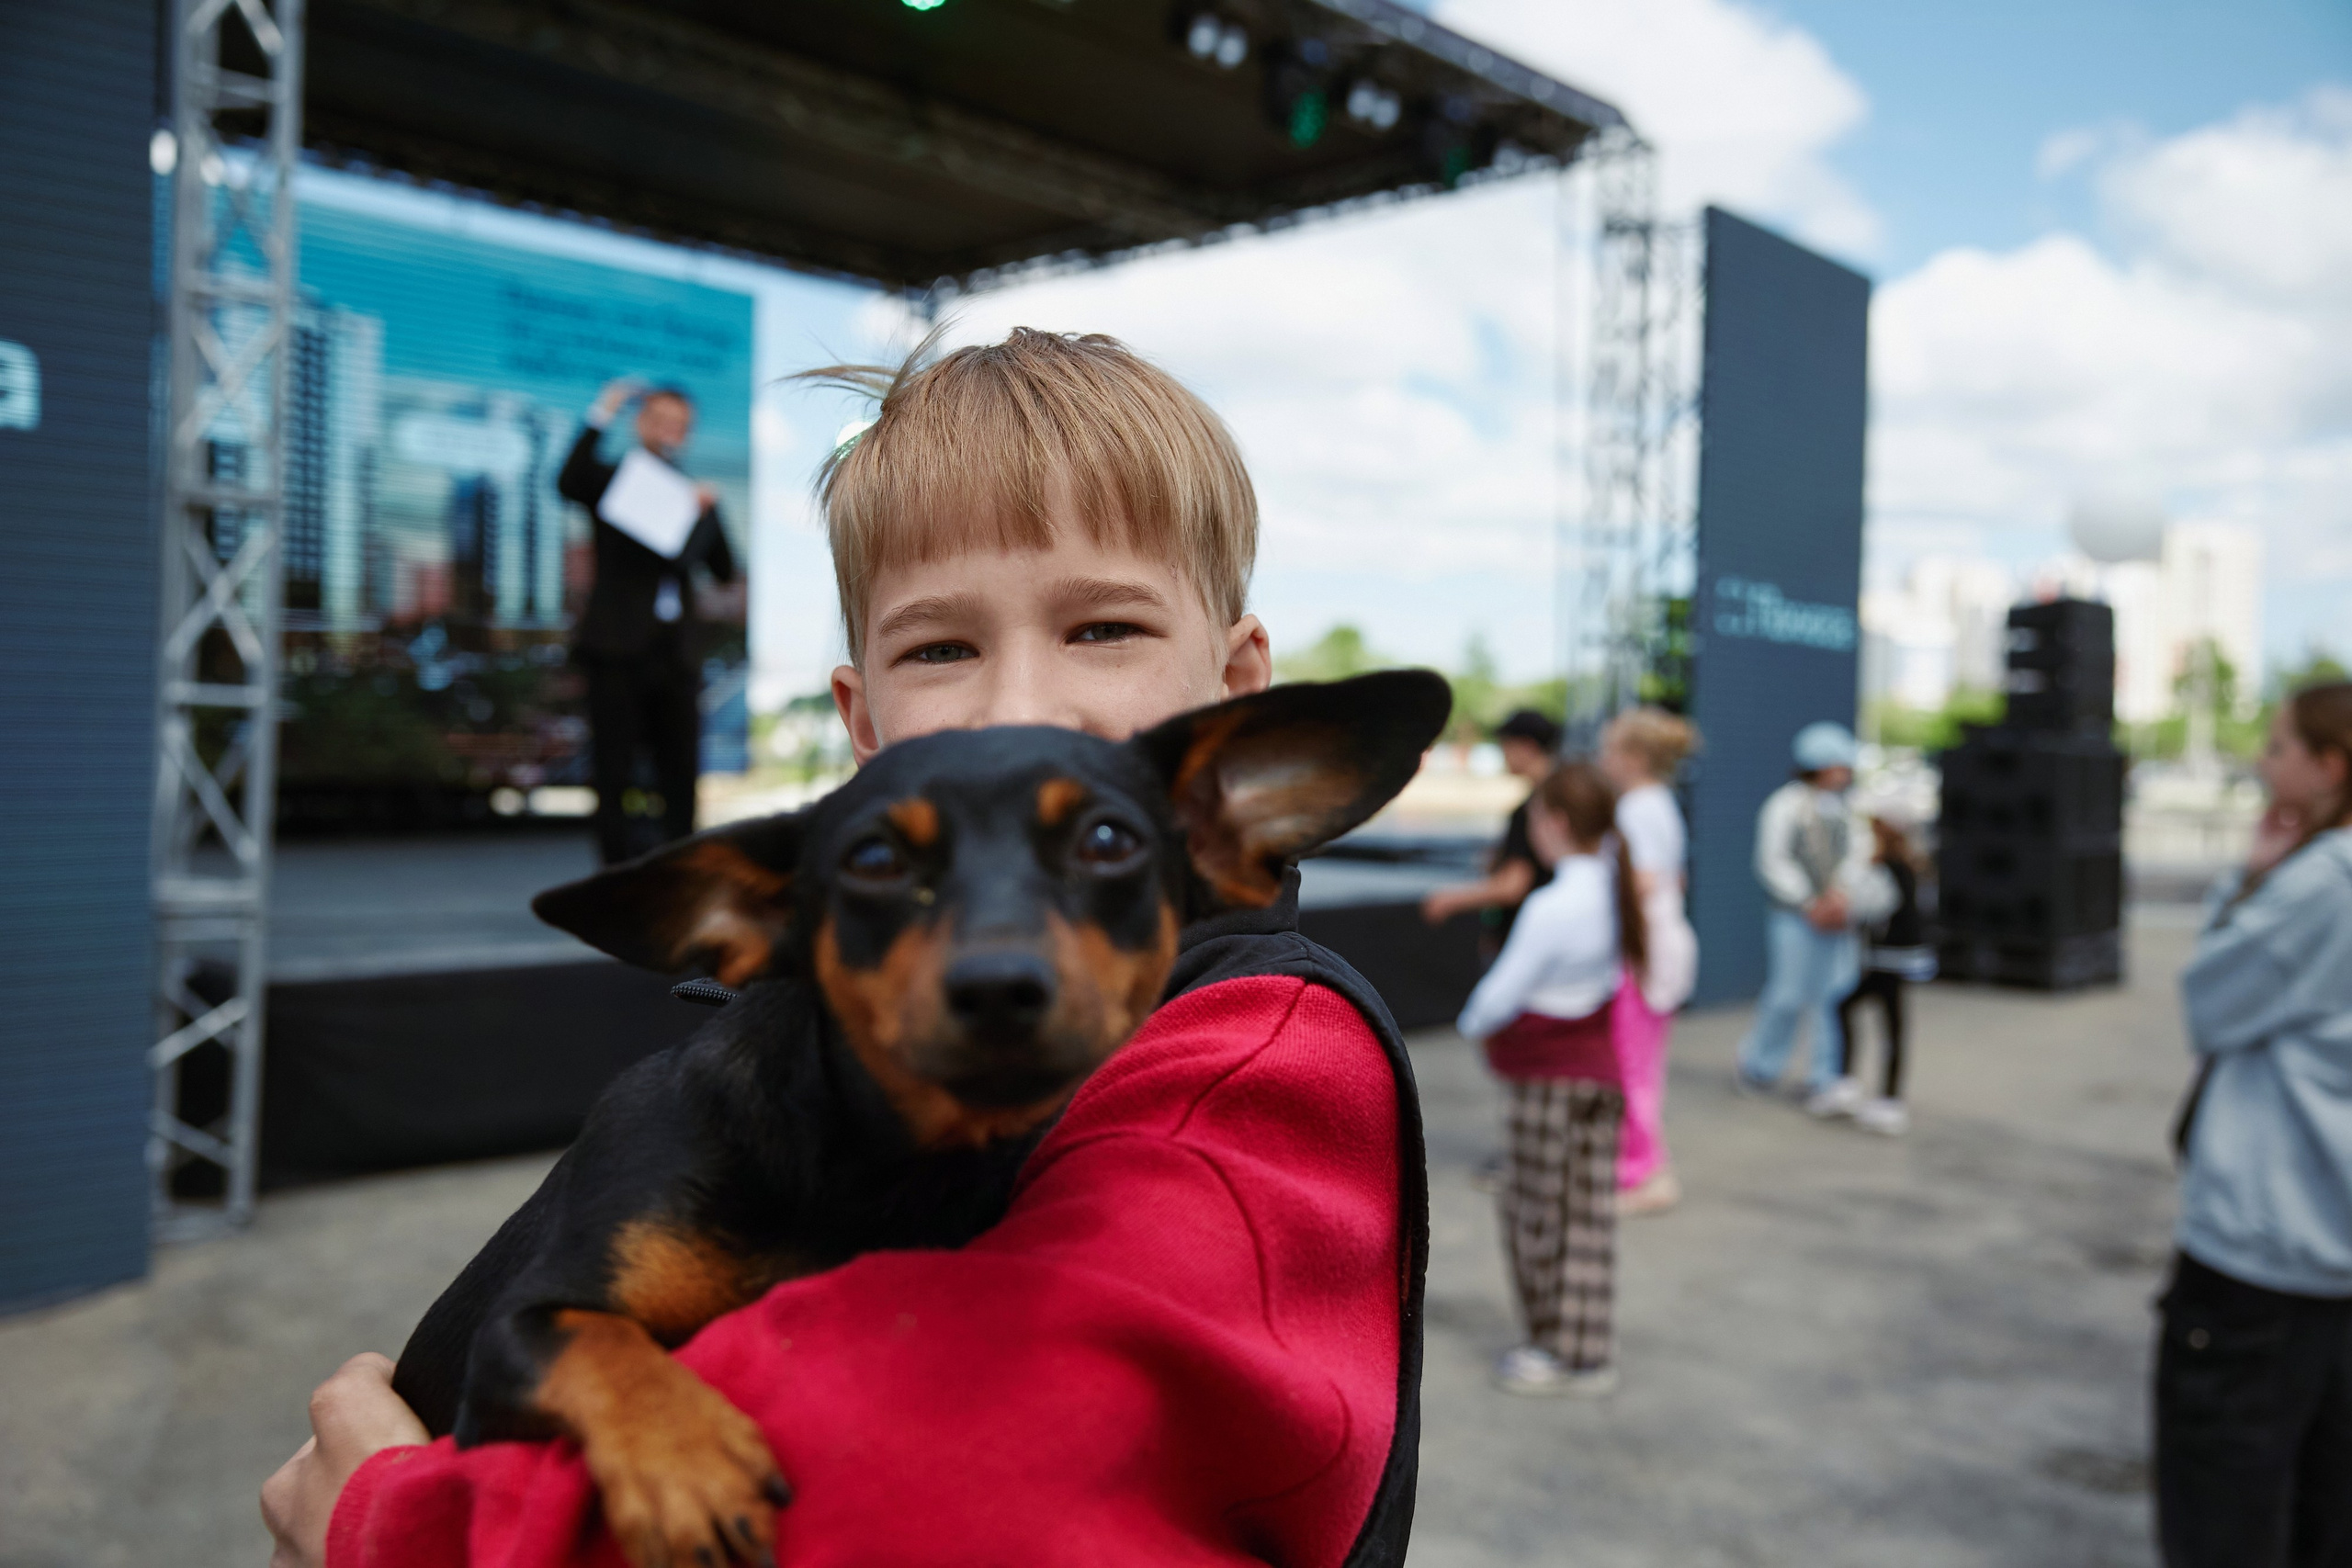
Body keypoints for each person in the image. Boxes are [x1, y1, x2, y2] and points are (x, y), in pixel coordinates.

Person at [262, 329, 1425, 1568]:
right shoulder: (716, 1108)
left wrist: (384, 1522)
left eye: (1104, 628)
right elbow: (542, 1342)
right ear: (863, 722)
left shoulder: (1248, 1063)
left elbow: (942, 1498)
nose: (1017, 703)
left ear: (1238, 712)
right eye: (941, 647)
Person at [2155, 681, 2352, 1568]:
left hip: (2269, 1252)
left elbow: (2213, 1001)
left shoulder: (2323, 884)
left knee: (2226, 1511)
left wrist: (2248, 881)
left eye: (2277, 746)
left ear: (2330, 764)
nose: (2263, 762)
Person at [1453, 761, 1645, 1398]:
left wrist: (1470, 1021)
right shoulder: (1617, 891)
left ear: (1555, 822)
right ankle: (1588, 1350)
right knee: (1587, 1216)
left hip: (1545, 1083)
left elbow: (1499, 996)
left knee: (1536, 1213)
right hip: (1600, 1074)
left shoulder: (1553, 903)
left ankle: (1549, 1345)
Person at [558, 378, 741, 865]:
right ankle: (615, 879)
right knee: (613, 770)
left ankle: (679, 873)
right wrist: (604, 410)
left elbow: (722, 569)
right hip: (616, 649)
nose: (670, 430)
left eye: (680, 424)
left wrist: (706, 514)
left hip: (675, 656)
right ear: (641, 423)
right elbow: (568, 481)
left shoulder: (693, 494)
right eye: (660, 419)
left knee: (679, 772)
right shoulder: (616, 480)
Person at [1733, 721, 1893, 1114]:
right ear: (1819, 766)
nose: (1845, 772)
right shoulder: (1784, 805)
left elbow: (1858, 855)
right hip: (1796, 919)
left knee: (1832, 997)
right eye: (1838, 764)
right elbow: (1772, 861)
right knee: (1787, 994)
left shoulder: (1846, 809)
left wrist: (1841, 896)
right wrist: (1808, 902)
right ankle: (1760, 1065)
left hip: (1837, 919)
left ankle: (1825, 1075)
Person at [1598, 706, 1700, 1214]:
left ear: (1634, 758)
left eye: (1609, 751)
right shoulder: (1659, 804)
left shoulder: (1639, 808)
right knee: (1641, 1067)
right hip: (1657, 949)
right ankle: (1640, 1164)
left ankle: (1642, 1171)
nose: (1602, 760)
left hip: (1643, 954)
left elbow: (1640, 882)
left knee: (1631, 1067)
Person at [1420, 708, 1563, 951]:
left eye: (1505, 745)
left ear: (1526, 746)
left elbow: (1514, 885)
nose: (1502, 754)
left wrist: (1449, 899)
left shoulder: (1532, 809)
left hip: (1526, 939)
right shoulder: (1566, 795)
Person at [1832, 816, 1935, 1137]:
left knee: (1857, 1011)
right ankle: (1880, 1094)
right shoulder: (1912, 865)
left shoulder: (1886, 867)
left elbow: (1871, 907)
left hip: (1888, 956)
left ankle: (1877, 1094)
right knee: (1890, 1022)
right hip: (1901, 956)